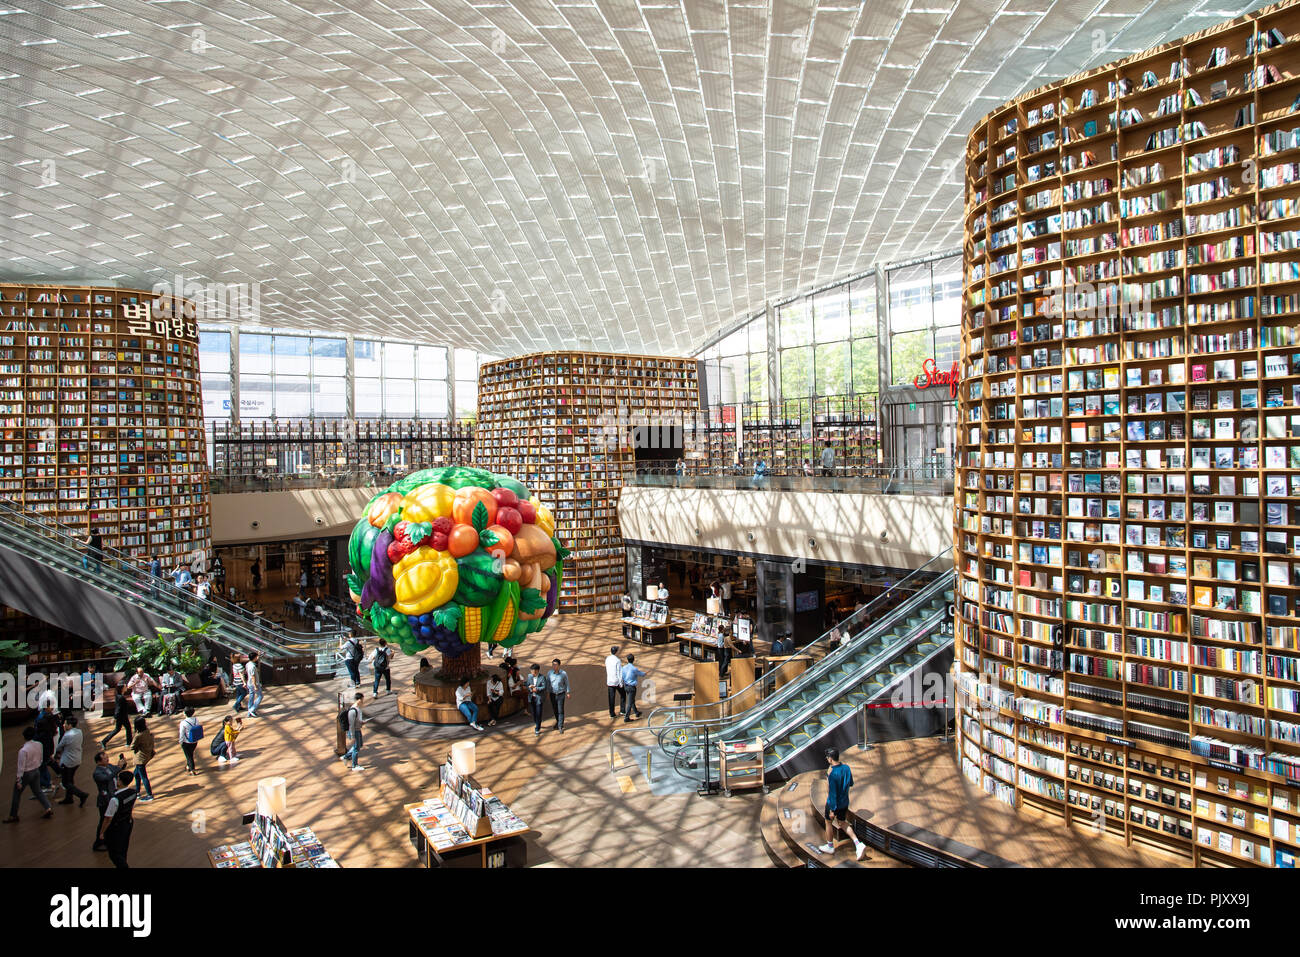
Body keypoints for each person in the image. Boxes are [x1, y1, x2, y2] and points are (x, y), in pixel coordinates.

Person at [817, 747, 867, 860]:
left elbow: (832, 793)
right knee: (842, 822)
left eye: (827, 757)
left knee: (828, 822)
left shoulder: (832, 774)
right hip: (844, 802)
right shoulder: (846, 768)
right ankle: (858, 844)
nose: (826, 759)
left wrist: (831, 810)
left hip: (833, 804)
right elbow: (850, 783)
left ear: (830, 758)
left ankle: (830, 846)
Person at [4, 728, 54, 822]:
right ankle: (48, 807)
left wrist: (19, 780)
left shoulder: (23, 750)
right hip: (36, 771)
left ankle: (13, 815)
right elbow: (40, 758)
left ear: (24, 737)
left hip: (26, 773)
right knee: (38, 791)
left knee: (17, 794)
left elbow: (20, 767)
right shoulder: (39, 744)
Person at [98, 770, 138, 869]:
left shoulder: (115, 799)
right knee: (123, 847)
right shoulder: (133, 792)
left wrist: (102, 832)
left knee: (114, 853)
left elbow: (108, 818)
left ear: (119, 781)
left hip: (116, 828)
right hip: (127, 823)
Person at [91, 750, 125, 850]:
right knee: (104, 820)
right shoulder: (97, 773)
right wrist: (118, 768)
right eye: (105, 758)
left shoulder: (109, 766)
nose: (107, 759)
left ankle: (108, 839)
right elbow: (107, 778)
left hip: (113, 796)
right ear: (98, 762)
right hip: (105, 800)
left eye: (107, 757)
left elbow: (117, 770)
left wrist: (122, 764)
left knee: (112, 820)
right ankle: (99, 841)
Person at [54, 715, 89, 807]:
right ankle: (69, 798)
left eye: (65, 724)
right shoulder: (79, 732)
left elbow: (59, 747)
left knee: (65, 783)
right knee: (70, 780)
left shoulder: (67, 735)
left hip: (67, 761)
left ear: (70, 725)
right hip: (77, 760)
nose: (63, 725)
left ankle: (81, 795)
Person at [33, 699, 61, 791]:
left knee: (43, 766)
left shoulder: (45, 718)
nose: (52, 708)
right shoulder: (43, 719)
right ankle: (46, 783)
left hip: (44, 747)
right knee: (43, 766)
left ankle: (46, 784)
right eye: (51, 706)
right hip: (44, 747)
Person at [131, 717, 155, 802]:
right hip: (146, 756)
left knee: (143, 776)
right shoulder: (147, 731)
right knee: (136, 774)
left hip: (140, 759)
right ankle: (137, 792)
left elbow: (132, 746)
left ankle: (149, 794)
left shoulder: (138, 735)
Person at [341, 693, 365, 770]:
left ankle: (346, 756)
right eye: (362, 700)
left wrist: (361, 722)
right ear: (359, 700)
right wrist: (352, 735)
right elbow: (351, 724)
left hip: (357, 729)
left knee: (359, 745)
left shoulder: (357, 708)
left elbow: (356, 720)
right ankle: (354, 765)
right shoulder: (353, 710)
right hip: (355, 731)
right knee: (356, 748)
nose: (362, 701)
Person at [546, 658, 571, 733]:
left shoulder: (563, 673)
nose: (554, 666)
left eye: (555, 664)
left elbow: (566, 683)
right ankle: (558, 722)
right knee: (555, 709)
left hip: (561, 693)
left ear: (559, 665)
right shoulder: (549, 673)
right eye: (553, 664)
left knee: (560, 710)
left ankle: (560, 725)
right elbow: (548, 683)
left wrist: (568, 692)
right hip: (552, 694)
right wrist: (547, 693)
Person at [620, 654, 646, 722]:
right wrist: (645, 673)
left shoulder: (624, 668)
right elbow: (641, 674)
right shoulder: (634, 669)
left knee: (631, 700)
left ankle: (636, 712)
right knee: (630, 702)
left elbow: (622, 676)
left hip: (626, 686)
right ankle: (626, 717)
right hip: (632, 687)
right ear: (633, 660)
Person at [178, 707, 203, 776]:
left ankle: (192, 769)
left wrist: (180, 741)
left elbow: (182, 733)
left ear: (185, 713)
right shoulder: (196, 719)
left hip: (186, 742)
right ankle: (188, 766)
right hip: (195, 741)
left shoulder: (183, 723)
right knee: (190, 754)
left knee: (189, 756)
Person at [524, 663, 548, 736]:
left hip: (539, 698)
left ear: (537, 671)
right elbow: (527, 684)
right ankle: (537, 722)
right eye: (531, 671)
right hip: (532, 697)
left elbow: (544, 687)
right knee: (534, 713)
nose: (532, 673)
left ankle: (537, 728)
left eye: (533, 671)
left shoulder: (542, 677)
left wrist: (536, 689)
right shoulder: (529, 676)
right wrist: (530, 687)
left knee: (538, 713)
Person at [604, 644, 625, 718]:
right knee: (623, 695)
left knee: (611, 698)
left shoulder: (607, 659)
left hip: (610, 681)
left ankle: (612, 713)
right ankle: (622, 710)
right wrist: (621, 682)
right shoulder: (617, 660)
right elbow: (619, 672)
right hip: (616, 681)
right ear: (616, 652)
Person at [245, 652, 263, 718]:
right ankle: (252, 710)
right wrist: (255, 685)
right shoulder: (252, 666)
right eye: (256, 656)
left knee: (251, 696)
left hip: (249, 683)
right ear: (254, 657)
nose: (257, 658)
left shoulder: (248, 664)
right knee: (260, 696)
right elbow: (253, 676)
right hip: (254, 684)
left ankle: (249, 710)